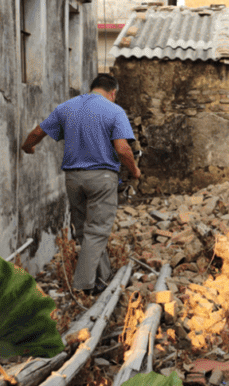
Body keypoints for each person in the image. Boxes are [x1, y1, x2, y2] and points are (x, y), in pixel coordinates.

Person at [21, 73, 140, 295]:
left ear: (92, 87)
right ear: (113, 92)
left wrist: (28, 147)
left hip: (73, 179)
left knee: (86, 232)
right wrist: (135, 170)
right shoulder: (115, 110)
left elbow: (38, 132)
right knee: (97, 232)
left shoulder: (67, 107)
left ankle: (101, 280)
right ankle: (82, 286)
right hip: (102, 178)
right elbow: (123, 149)